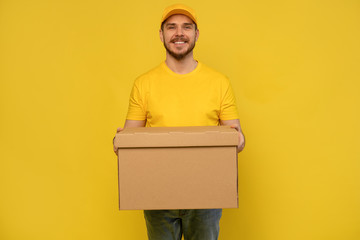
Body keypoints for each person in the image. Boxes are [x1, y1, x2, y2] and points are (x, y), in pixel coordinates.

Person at [113, 4, 245, 240]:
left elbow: (236, 138)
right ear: (161, 34)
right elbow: (130, 141)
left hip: (206, 195)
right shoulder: (143, 84)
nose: (179, 33)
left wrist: (238, 139)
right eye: (171, 27)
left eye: (187, 27)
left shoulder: (219, 82)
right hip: (158, 195)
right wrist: (120, 143)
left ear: (196, 34)